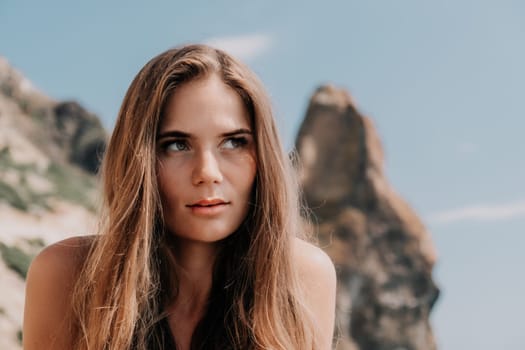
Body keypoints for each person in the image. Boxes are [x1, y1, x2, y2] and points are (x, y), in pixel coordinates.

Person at [22, 44, 336, 350]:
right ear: (139, 161)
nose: (207, 172)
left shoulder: (303, 277)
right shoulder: (65, 274)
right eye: (176, 145)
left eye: (233, 142)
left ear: (263, 155)